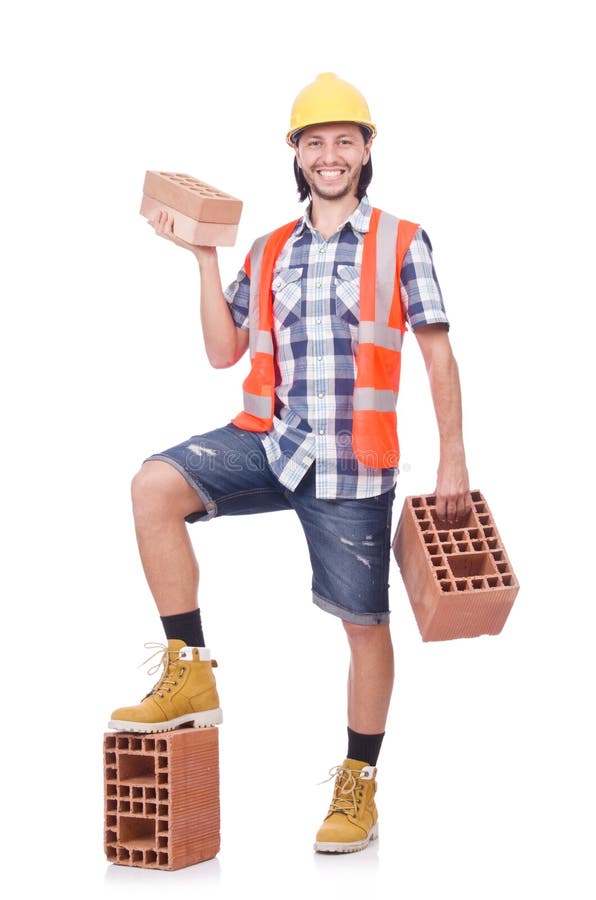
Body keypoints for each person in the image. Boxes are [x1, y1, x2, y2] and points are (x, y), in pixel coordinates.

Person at [109, 72, 472, 854]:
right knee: (154, 486)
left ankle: (359, 785)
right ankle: (190, 664)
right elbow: (221, 350)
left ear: (367, 150)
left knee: (364, 628)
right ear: (298, 156)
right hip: (273, 441)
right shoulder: (272, 247)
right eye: (315, 143)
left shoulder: (404, 241)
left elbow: (439, 358)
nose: (330, 155)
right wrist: (205, 259)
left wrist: (454, 464)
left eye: (345, 141)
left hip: (353, 466)